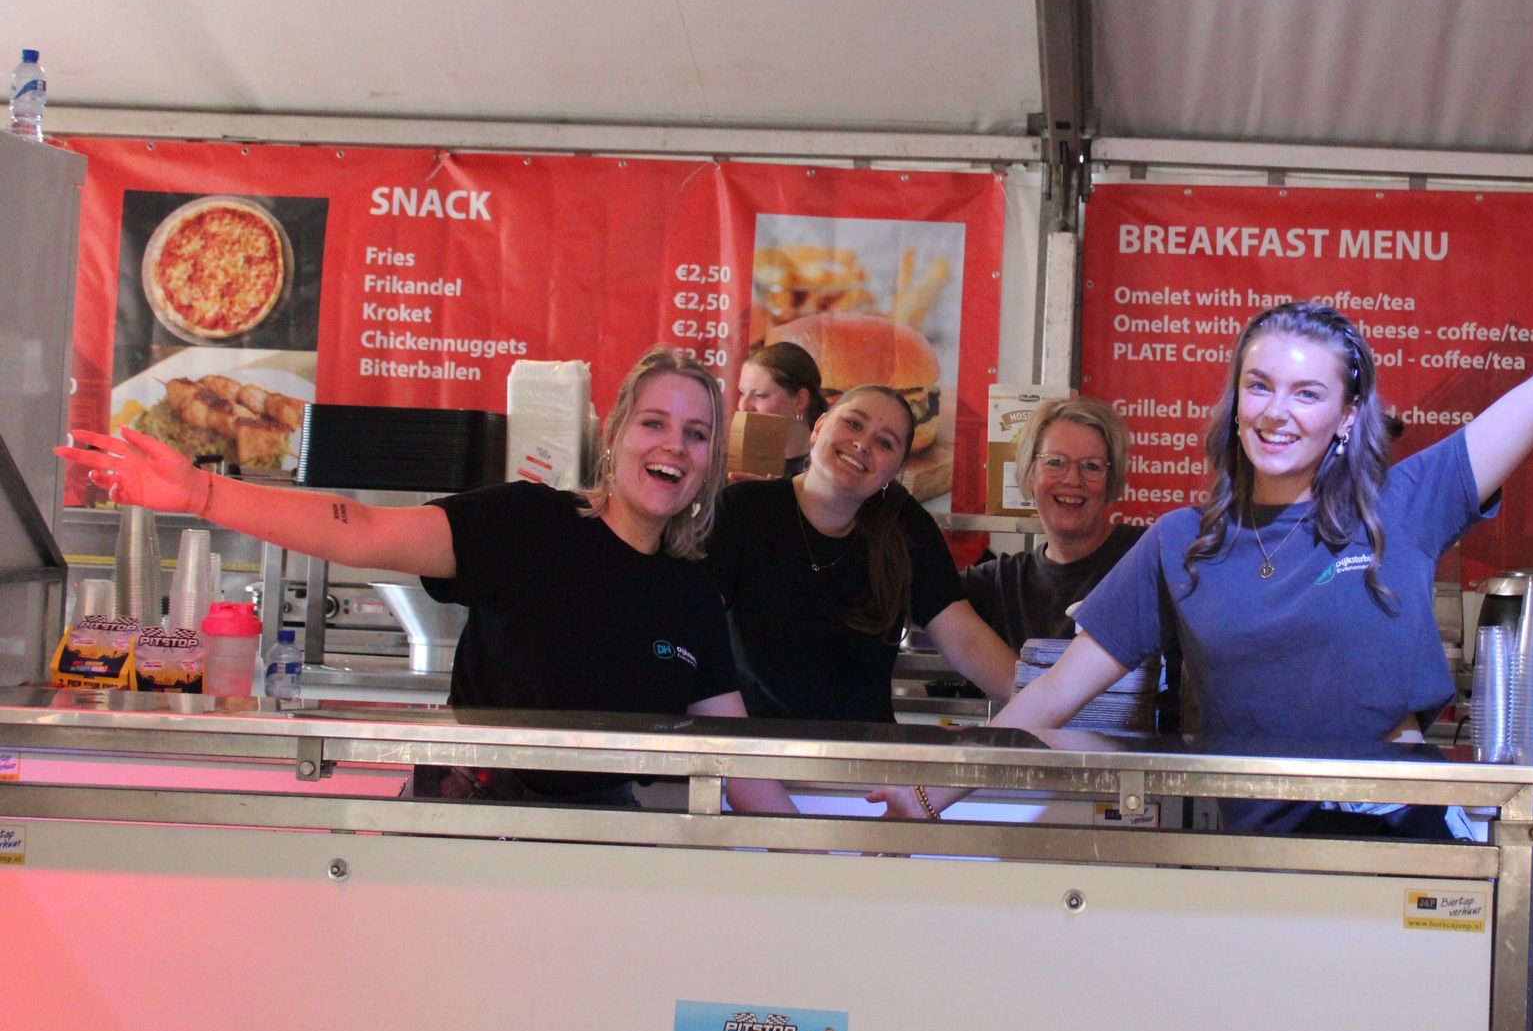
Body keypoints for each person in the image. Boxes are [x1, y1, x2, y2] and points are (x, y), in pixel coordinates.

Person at [872, 175, 1533, 830]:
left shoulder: (1406, 500)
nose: (1277, 411)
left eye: (1307, 392)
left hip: (1401, 841)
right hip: (1250, 851)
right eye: (1260, 385)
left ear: (1348, 413)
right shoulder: (1178, 544)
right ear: (1235, 397)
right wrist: (932, 793)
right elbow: (1049, 695)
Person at [59, 346, 793, 813]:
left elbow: (737, 760)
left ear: (710, 464)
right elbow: (363, 529)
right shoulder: (528, 523)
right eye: (654, 423)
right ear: (616, 435)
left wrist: (827, 862)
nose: (674, 446)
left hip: (603, 839)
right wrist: (201, 494)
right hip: (469, 820)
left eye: (696, 433)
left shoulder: (691, 596)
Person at [706, 384, 1018, 722]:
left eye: (885, 443)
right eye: (854, 423)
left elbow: (967, 642)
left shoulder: (903, 523)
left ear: (895, 471)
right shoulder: (744, 508)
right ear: (819, 426)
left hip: (866, 749)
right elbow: (697, 630)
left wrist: (1049, 704)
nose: (863, 443)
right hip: (755, 745)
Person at [962, 396, 1145, 648]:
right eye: (1055, 462)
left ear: (1110, 481)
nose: (1073, 479)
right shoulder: (1001, 584)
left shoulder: (1148, 557)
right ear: (1029, 474)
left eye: (1091, 466)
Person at [732, 342, 826, 480]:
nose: (743, 406)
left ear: (800, 400)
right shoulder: (733, 460)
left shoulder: (825, 470)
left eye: (759, 395)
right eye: (741, 393)